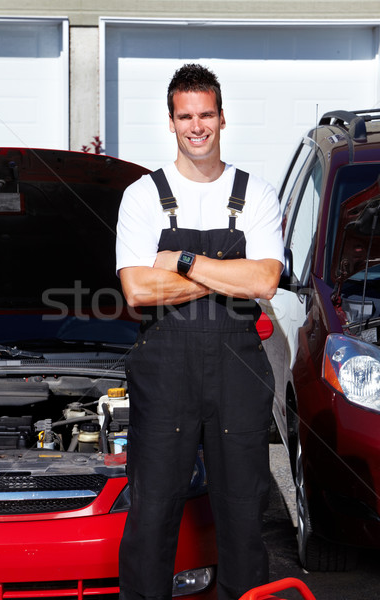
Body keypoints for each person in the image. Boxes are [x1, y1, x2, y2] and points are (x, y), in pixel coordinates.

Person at [116, 63, 284, 600]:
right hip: (164, 375)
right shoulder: (143, 196)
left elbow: (263, 280)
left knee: (242, 515)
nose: (196, 126)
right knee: (153, 513)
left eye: (206, 114)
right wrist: (222, 273)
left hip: (238, 373)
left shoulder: (254, 193)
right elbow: (139, 291)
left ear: (222, 118)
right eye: (185, 116)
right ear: (170, 122)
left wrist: (182, 260)